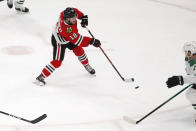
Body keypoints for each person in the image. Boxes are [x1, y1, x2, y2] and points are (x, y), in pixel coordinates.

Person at [34, 7, 101, 86]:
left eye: (75, 16)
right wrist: (92, 41)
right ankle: (41, 77)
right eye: (73, 18)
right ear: (67, 19)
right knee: (57, 62)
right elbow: (79, 40)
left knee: (79, 51)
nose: (75, 19)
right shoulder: (67, 29)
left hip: (69, 38)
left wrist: (82, 17)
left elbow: (74, 10)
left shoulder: (64, 13)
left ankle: (86, 65)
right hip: (59, 41)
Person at [166, 41, 196, 122]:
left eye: (188, 52)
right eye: (185, 52)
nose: (187, 55)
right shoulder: (189, 61)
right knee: (191, 94)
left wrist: (181, 79)